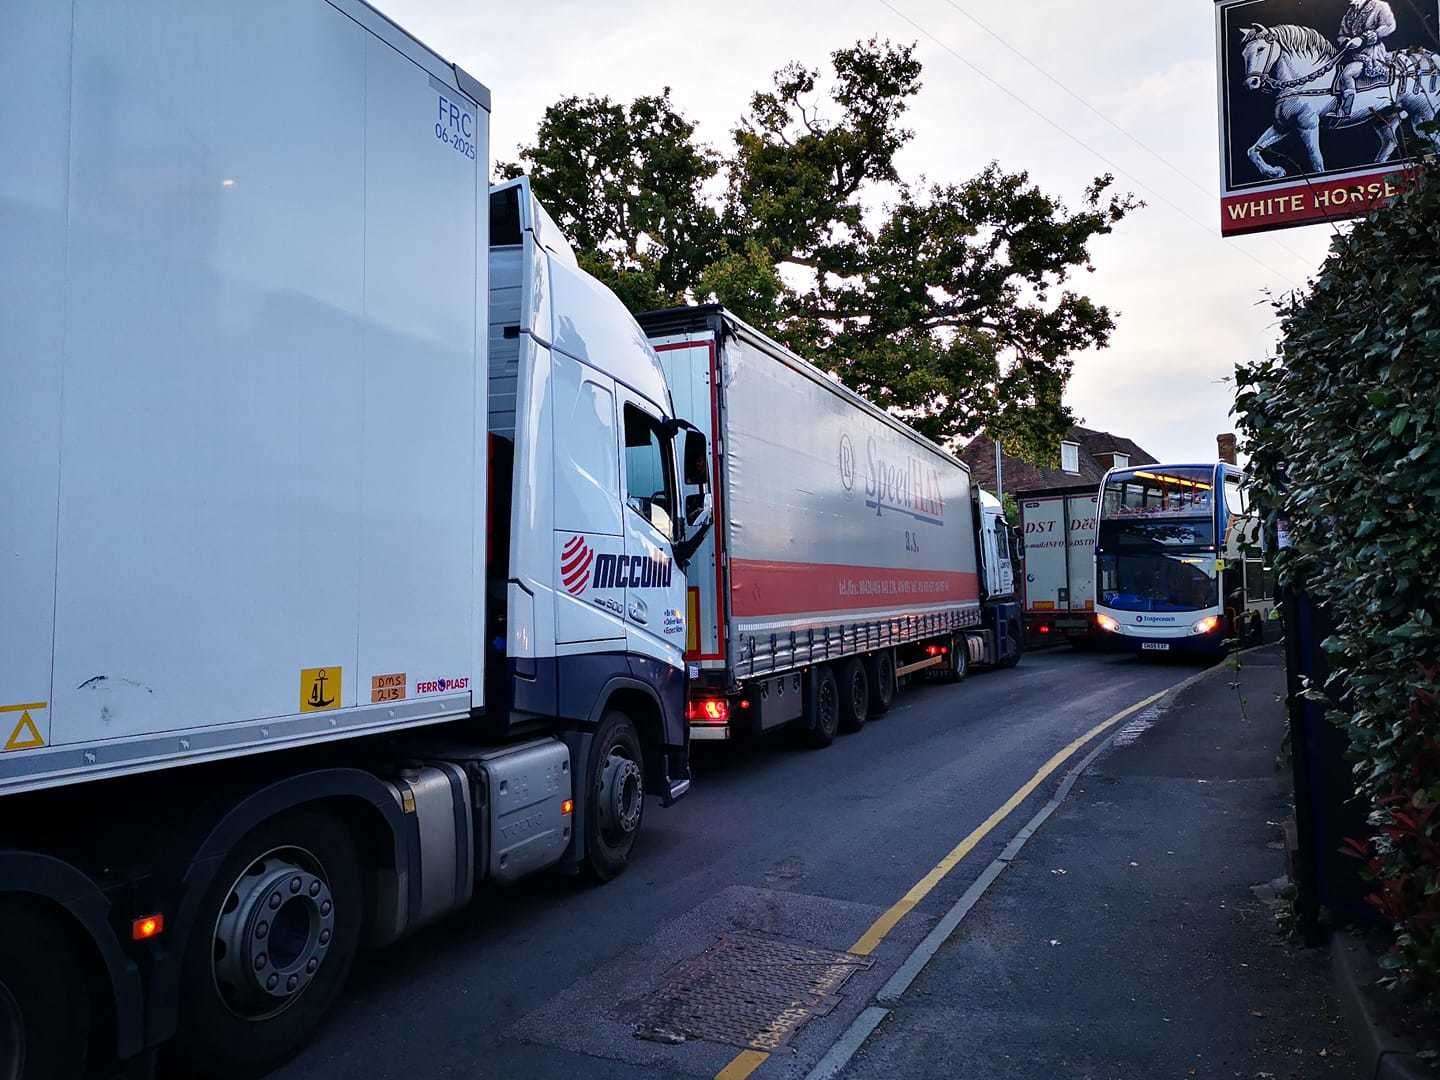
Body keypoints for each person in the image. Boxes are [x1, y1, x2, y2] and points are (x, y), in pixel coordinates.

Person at [1336, 0, 1398, 117]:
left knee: (1347, 74)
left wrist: (1363, 39)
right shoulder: (1350, 12)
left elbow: (1389, 26)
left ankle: (1346, 110)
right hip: (1350, 53)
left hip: (1371, 53)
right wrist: (1347, 41)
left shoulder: (1380, 6)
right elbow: (1341, 35)